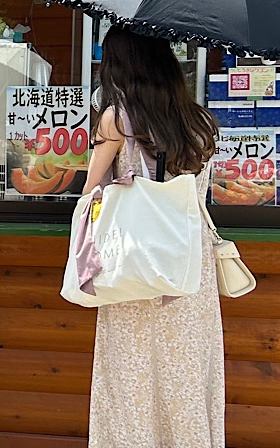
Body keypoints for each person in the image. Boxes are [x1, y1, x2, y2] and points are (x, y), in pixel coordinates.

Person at [82, 26, 222, 447]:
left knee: (130, 378)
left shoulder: (117, 119)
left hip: (134, 265)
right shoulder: (199, 122)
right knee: (186, 374)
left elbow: (91, 195)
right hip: (188, 268)